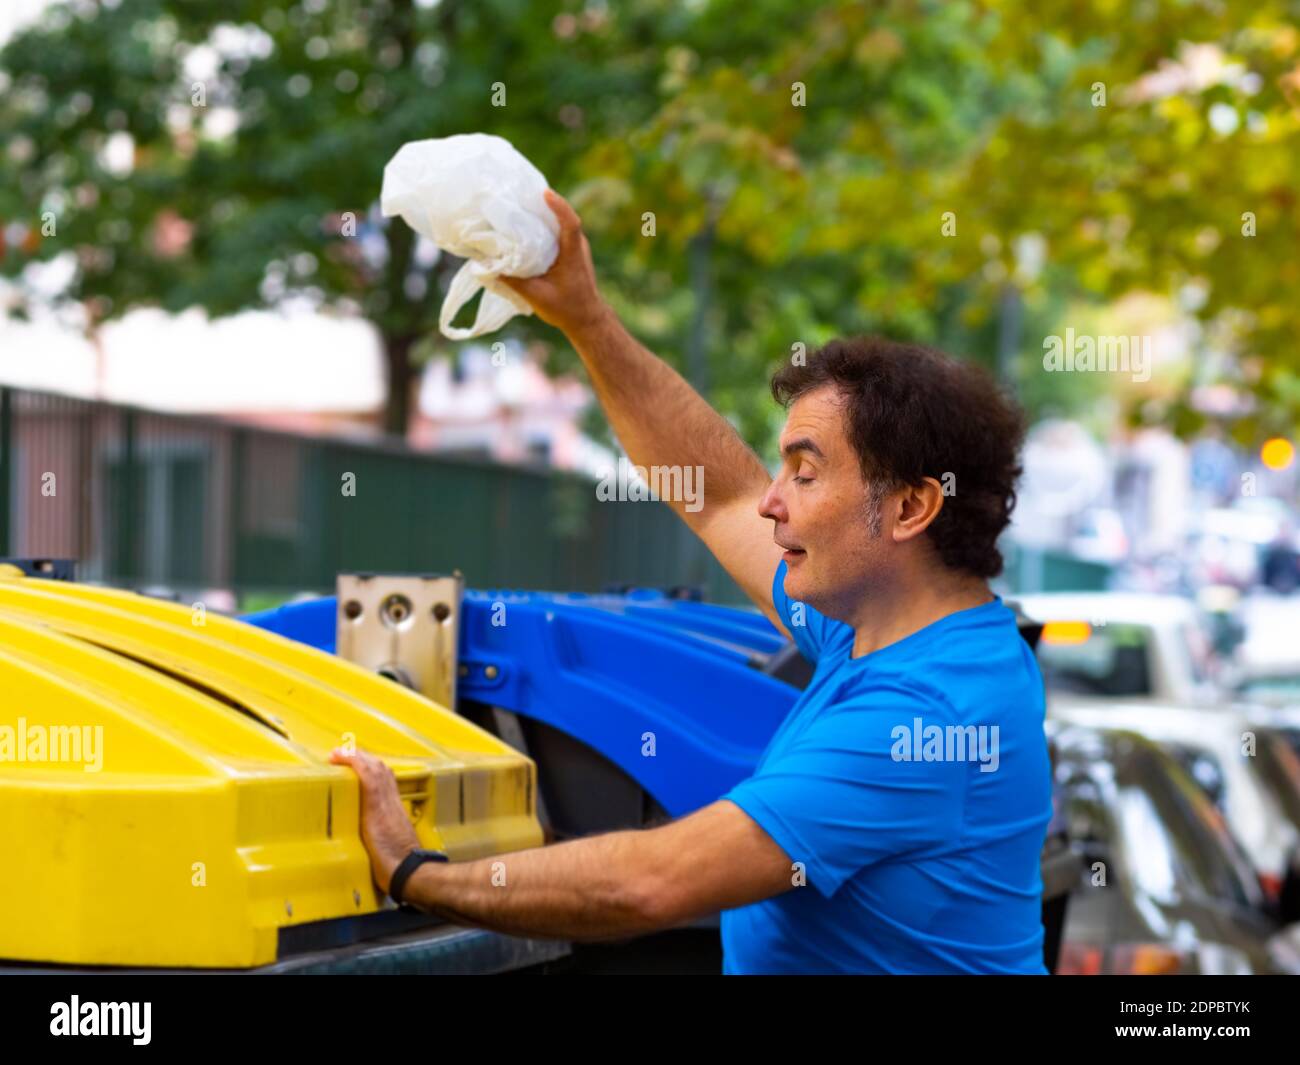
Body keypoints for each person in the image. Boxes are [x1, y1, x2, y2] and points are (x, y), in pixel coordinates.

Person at [331, 190, 1053, 974]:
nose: (773, 500)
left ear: (910, 506)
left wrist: (415, 871)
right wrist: (585, 318)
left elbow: (649, 883)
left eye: (806, 473)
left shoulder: (920, 717)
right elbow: (719, 495)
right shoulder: (888, 628)